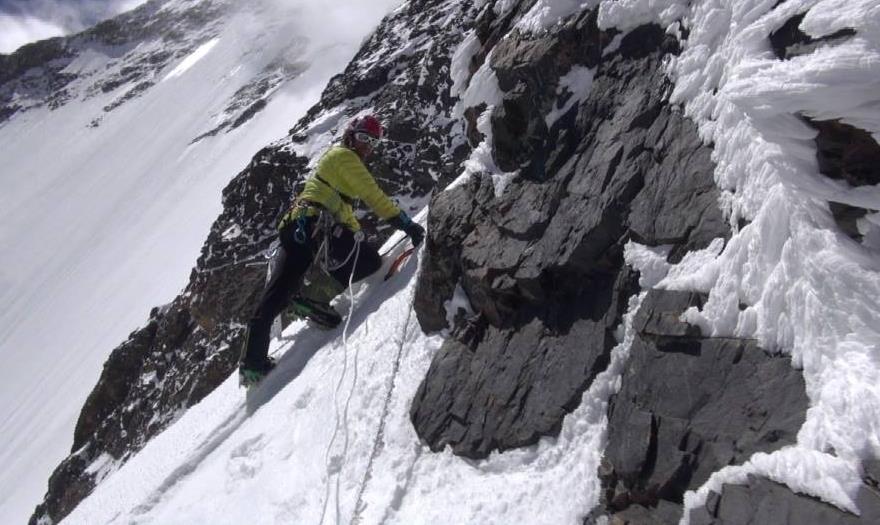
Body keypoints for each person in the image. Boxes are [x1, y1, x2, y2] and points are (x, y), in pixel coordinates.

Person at [238, 115, 425, 386]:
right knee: (369, 262)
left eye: (372, 142)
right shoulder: (345, 157)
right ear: (351, 136)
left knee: (279, 292)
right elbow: (374, 196)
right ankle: (313, 298)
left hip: (299, 225)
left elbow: (344, 213)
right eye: (363, 138)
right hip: (316, 225)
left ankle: (252, 363)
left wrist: (354, 231)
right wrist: (405, 224)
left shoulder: (335, 163)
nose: (367, 147)